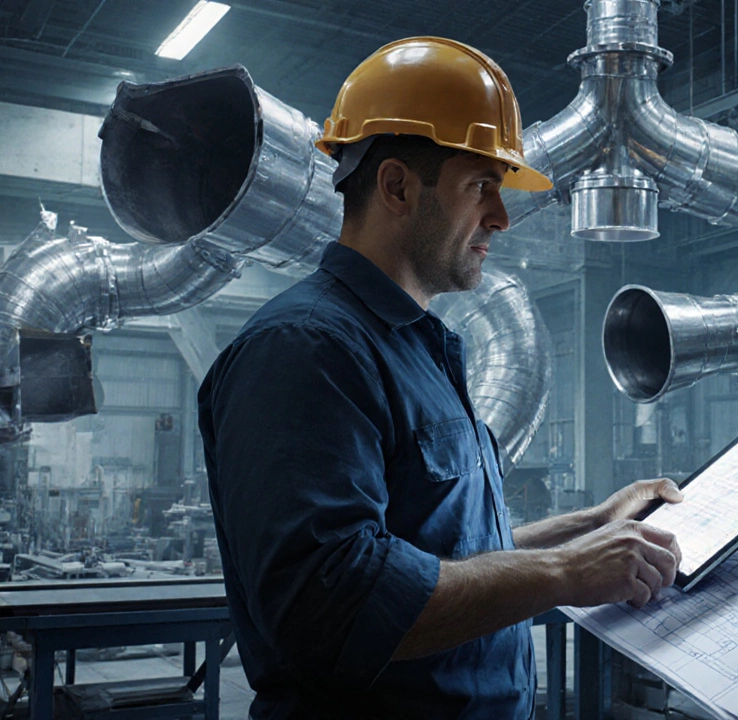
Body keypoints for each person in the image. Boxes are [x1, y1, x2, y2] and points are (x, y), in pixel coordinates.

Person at [198, 37, 683, 720]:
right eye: (480, 184)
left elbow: (446, 554)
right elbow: (331, 605)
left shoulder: (418, 348)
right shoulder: (305, 351)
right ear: (397, 186)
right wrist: (566, 574)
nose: (501, 217)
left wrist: (588, 526)